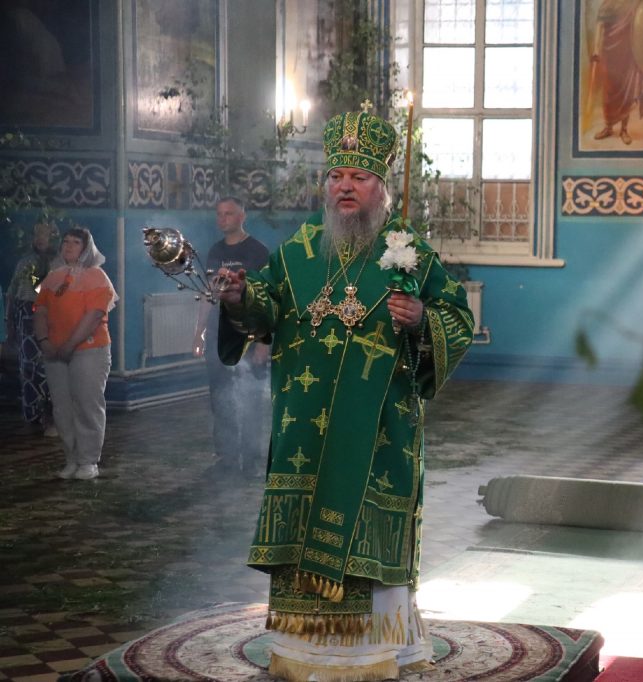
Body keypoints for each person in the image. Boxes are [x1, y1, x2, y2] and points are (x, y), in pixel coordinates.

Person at [216, 107, 474, 681]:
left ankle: (373, 652)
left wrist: (422, 318)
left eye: (359, 177)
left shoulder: (409, 253)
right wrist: (238, 298)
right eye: (336, 176)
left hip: (379, 432)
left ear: (382, 186)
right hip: (303, 430)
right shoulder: (300, 250)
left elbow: (458, 319)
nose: (345, 187)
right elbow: (266, 307)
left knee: (365, 528)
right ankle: (303, 652)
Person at [192, 196, 271, 476]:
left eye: (228, 213)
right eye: (219, 214)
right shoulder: (215, 251)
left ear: (241, 217)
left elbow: (267, 297)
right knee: (220, 396)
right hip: (218, 334)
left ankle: (250, 459)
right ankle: (226, 456)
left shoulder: (258, 251)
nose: (222, 219)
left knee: (250, 398)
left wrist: (263, 342)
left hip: (248, 334)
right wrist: (200, 332)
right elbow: (209, 293)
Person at [33, 226, 117, 480]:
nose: (68, 246)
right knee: (62, 408)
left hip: (88, 349)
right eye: (66, 241)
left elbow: (94, 315)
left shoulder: (96, 276)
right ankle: (71, 458)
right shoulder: (53, 276)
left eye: (75, 242)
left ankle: (88, 461)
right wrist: (44, 341)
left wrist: (70, 344)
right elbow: (40, 310)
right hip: (54, 350)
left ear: (86, 248)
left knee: (87, 404)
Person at [6, 221, 57, 435]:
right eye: (37, 234)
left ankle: (50, 414)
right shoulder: (25, 262)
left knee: (46, 367)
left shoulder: (57, 262)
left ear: (51, 237)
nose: (40, 239)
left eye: (44, 234)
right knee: (28, 367)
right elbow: (13, 292)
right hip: (25, 317)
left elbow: (44, 291)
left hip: (48, 317)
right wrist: (9, 321)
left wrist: (38, 278)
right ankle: (32, 413)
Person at [589, 0, 643, 145]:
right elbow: (600, 26)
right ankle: (608, 127)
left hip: (627, 53)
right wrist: (596, 49)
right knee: (609, 92)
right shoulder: (607, 5)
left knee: (626, 92)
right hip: (609, 54)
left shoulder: (635, 3)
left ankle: (624, 130)